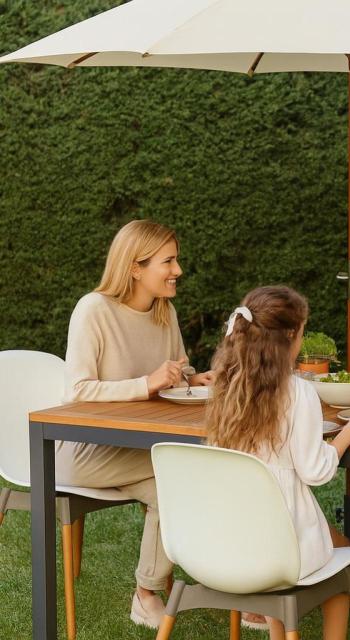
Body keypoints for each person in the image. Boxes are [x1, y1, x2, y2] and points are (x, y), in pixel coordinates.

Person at [59, 219, 213, 627]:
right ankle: (160, 591)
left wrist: (193, 378)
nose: (178, 270)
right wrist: (146, 384)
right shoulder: (94, 310)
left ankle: (153, 593)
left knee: (178, 486)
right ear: (135, 267)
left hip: (136, 448)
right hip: (83, 451)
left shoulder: (165, 311)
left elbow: (174, 370)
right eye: (169, 261)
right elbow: (77, 391)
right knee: (183, 472)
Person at [205, 285, 350, 640]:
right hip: (283, 551)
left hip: (227, 541)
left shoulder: (224, 386)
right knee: (342, 562)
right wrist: (349, 432)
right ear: (292, 336)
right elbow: (316, 470)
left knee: (296, 543)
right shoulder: (298, 393)